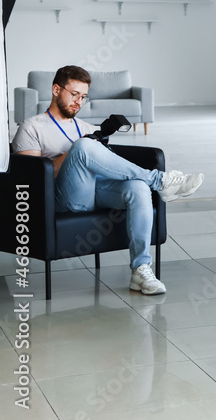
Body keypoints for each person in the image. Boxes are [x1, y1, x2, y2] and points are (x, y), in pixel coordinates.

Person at [11, 65, 204, 295]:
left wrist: (99, 145)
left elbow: (107, 167)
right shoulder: (31, 127)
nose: (78, 102)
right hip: (61, 199)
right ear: (55, 89)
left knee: (138, 188)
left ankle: (140, 270)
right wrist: (78, 149)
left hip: (95, 191)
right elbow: (30, 178)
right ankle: (160, 181)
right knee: (83, 146)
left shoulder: (85, 127)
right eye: (74, 94)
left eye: (83, 97)